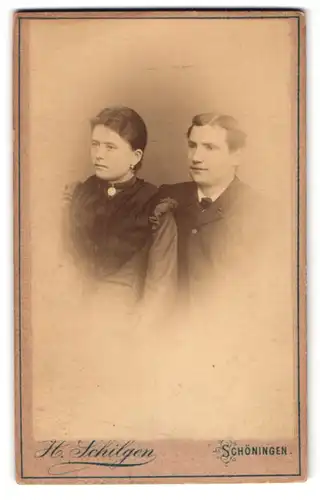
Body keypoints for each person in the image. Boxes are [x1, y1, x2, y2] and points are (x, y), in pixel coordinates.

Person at [63, 106, 178, 323]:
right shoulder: (77, 196)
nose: (98, 154)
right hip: (72, 318)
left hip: (123, 326)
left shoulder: (155, 208)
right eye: (95, 144)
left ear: (135, 157)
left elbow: (161, 289)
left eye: (110, 147)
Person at [152, 112, 273, 307]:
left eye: (210, 148)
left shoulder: (261, 212)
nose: (196, 157)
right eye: (192, 146)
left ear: (236, 156)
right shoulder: (167, 197)